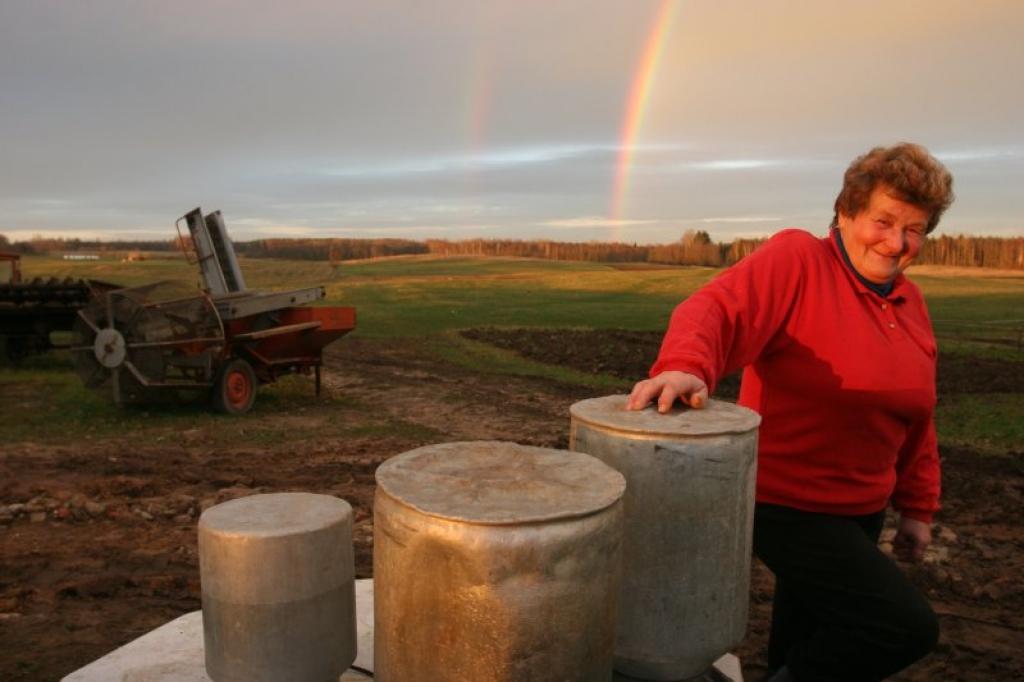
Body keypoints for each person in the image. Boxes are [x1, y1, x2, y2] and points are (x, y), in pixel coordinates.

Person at [627, 143, 953, 681]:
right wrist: (687, 366)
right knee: (900, 626)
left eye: (914, 229)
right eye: (883, 220)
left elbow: (918, 413)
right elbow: (717, 308)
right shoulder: (799, 261)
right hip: (786, 504)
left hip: (862, 509)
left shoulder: (909, 303)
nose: (896, 242)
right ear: (845, 212)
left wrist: (918, 507)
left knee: (805, 647)